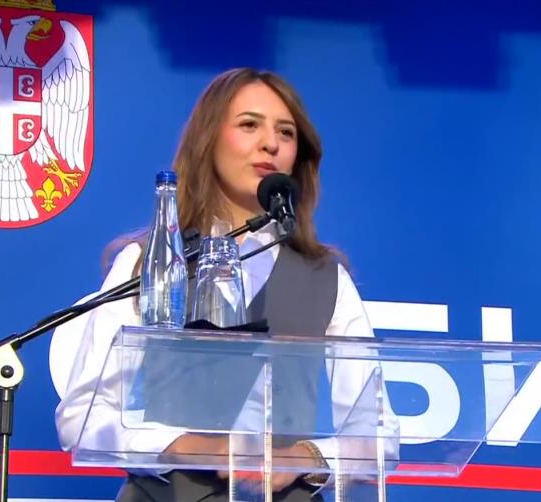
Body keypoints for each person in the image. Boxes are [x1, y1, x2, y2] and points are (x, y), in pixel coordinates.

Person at [55, 68, 399, 502]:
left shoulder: (327, 277)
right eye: (249, 125)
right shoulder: (148, 261)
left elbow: (379, 434)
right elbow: (82, 416)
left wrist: (306, 456)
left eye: (286, 132)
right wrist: (185, 447)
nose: (270, 143)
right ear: (209, 139)